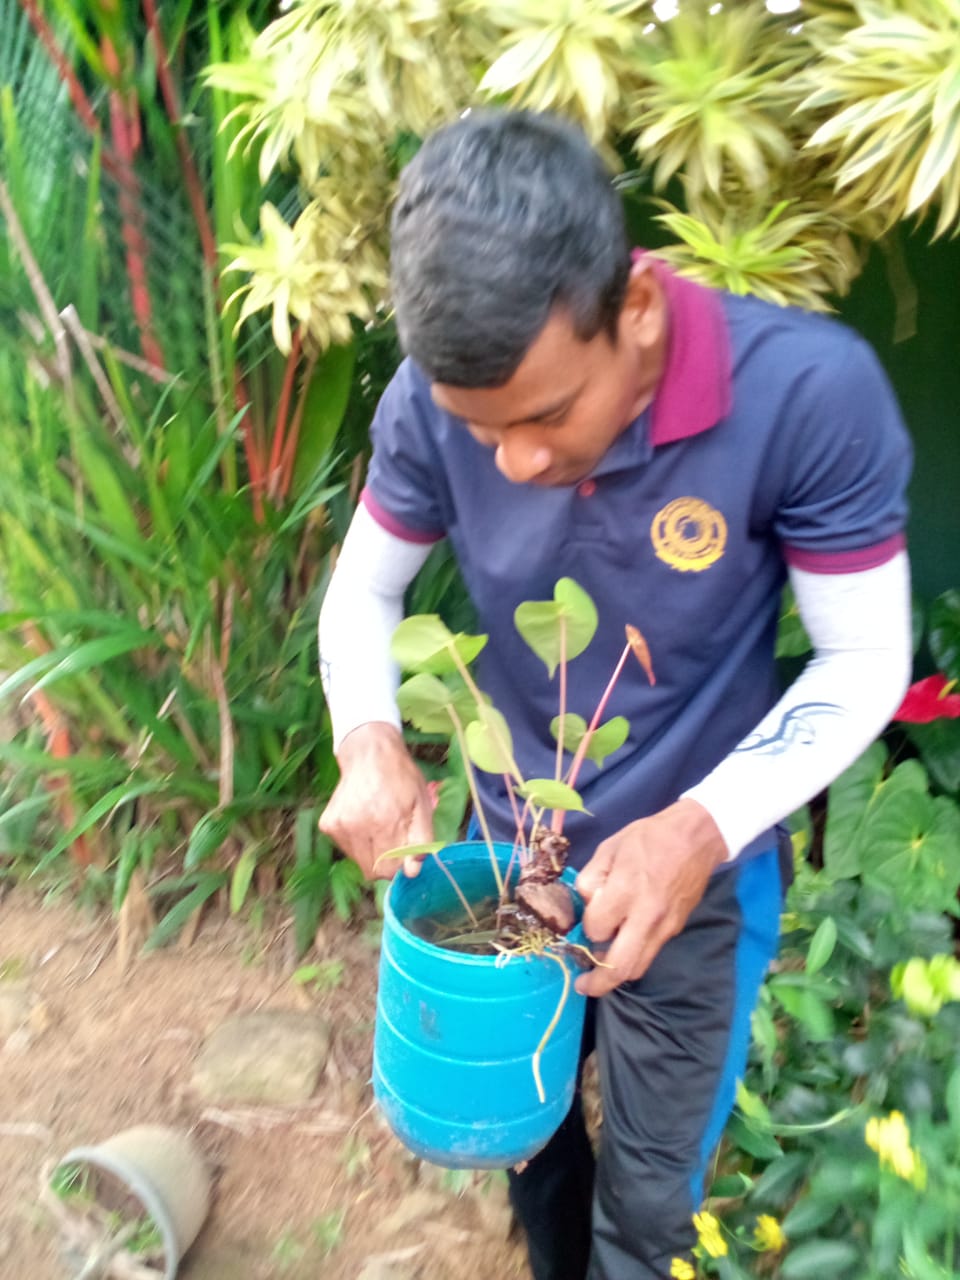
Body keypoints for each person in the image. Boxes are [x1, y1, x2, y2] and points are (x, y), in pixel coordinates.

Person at [318, 110, 912, 1279]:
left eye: (547, 415)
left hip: (696, 878)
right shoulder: (435, 397)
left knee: (648, 1196)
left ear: (636, 309)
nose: (517, 462)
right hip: (510, 856)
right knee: (527, 1136)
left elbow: (864, 659)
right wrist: (369, 737)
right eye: (481, 429)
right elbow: (365, 593)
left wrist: (700, 827)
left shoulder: (805, 393)